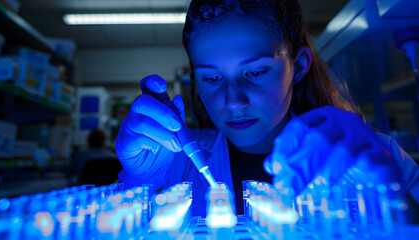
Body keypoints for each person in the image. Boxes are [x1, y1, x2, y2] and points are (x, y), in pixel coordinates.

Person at [116, 0, 419, 216]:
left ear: (298, 66)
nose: (233, 100)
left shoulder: (377, 156)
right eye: (211, 77)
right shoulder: (173, 164)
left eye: (257, 72)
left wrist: (395, 199)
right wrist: (139, 182)